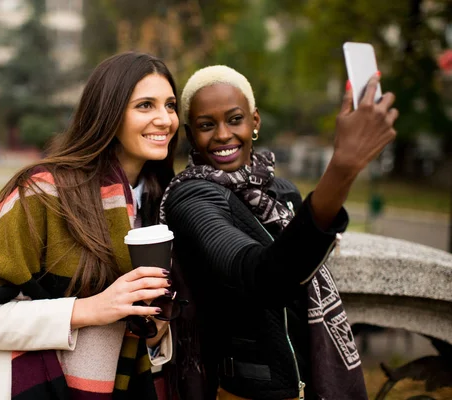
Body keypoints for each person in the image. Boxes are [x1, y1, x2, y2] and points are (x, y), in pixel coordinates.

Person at [0, 52, 180, 400]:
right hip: (31, 387)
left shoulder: (165, 202)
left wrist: (157, 324)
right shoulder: (45, 191)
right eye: (145, 105)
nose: (164, 119)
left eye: (171, 105)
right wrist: (88, 309)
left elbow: (148, 332)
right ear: (109, 113)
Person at [160, 66, 398, 400]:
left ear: (254, 122)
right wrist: (342, 168)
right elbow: (262, 277)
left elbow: (299, 273)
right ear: (189, 133)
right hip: (243, 391)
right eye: (206, 125)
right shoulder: (191, 197)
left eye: (235, 119)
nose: (223, 135)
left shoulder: (280, 191)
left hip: (307, 383)